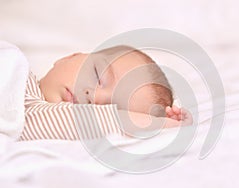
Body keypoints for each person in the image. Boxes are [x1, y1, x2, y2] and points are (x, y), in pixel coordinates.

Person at [20, 45, 192, 140]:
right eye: (97, 75)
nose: (95, 98)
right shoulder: (17, 72)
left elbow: (59, 120)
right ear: (69, 57)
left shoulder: (28, 114)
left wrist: (163, 124)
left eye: (115, 109)